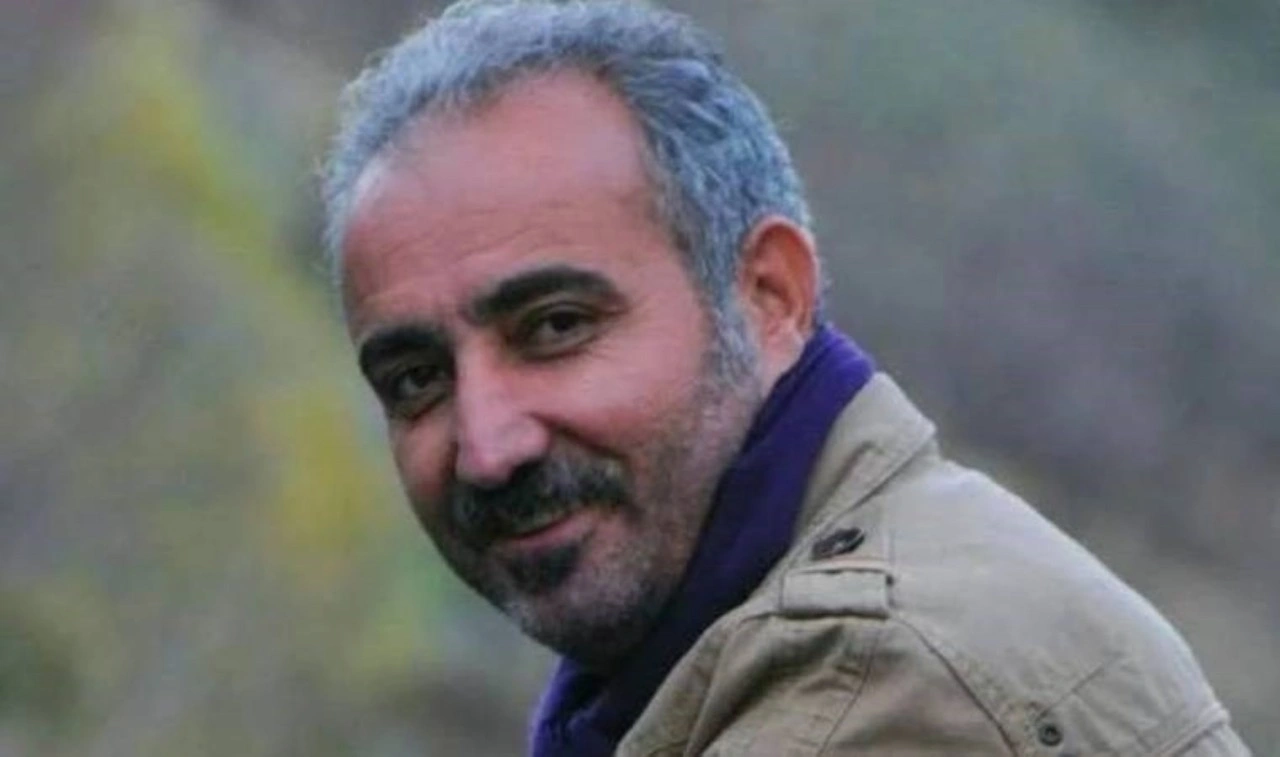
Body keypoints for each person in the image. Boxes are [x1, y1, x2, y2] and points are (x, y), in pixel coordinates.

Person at [321, 1, 1251, 754]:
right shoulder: (714, 648)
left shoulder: (879, 685)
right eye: (415, 379)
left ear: (770, 295)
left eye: (556, 327)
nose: (488, 447)